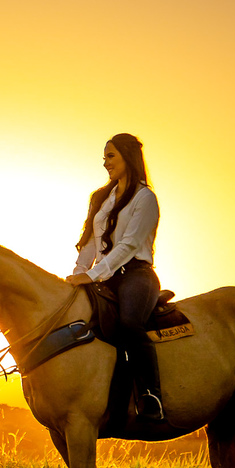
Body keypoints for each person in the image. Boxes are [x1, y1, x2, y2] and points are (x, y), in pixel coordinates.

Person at [65, 133, 166, 422]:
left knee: (129, 324)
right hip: (102, 278)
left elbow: (129, 245)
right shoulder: (100, 198)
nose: (105, 162)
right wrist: (79, 275)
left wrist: (94, 274)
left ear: (128, 156)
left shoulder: (145, 198)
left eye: (111, 156)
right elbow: (89, 242)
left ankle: (151, 394)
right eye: (104, 157)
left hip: (136, 276)